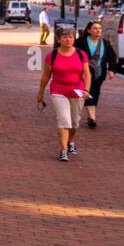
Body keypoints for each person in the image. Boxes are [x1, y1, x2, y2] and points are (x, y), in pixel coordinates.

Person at [36, 25, 92, 162]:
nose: (68, 39)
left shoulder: (81, 54)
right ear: (58, 39)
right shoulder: (52, 55)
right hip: (58, 91)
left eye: (71, 37)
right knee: (64, 120)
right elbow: (45, 76)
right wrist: (41, 92)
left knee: (74, 122)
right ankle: (63, 150)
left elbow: (87, 75)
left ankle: (70, 142)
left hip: (77, 91)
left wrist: (86, 90)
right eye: (65, 37)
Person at [75, 20, 117, 129]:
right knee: (88, 91)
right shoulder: (81, 42)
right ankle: (92, 117)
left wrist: (112, 70)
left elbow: (112, 58)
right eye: (95, 28)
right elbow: (74, 55)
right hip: (84, 72)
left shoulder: (105, 43)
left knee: (96, 92)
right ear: (89, 30)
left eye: (99, 28)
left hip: (99, 72)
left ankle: (90, 116)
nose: (98, 30)